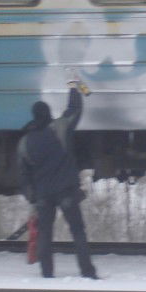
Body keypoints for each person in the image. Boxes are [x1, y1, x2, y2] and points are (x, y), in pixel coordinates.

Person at [17, 83, 97, 279]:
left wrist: (32, 197)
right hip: (66, 190)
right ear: (48, 113)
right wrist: (73, 88)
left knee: (45, 233)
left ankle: (47, 273)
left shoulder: (25, 142)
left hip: (44, 195)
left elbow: (23, 176)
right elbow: (74, 110)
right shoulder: (59, 128)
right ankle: (87, 271)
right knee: (77, 231)